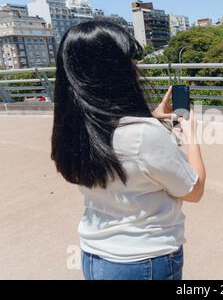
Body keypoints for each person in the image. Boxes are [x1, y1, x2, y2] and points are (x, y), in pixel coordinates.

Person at [51, 20, 206, 280]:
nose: (135, 68)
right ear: (113, 71)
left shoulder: (75, 127)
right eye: (130, 61)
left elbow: (117, 140)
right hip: (144, 262)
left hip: (94, 256)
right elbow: (194, 190)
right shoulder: (142, 134)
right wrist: (191, 135)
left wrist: (154, 115)